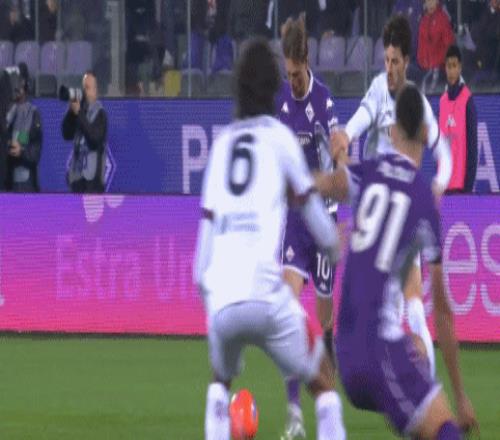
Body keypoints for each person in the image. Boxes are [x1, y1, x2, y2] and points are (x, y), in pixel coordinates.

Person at [195, 38, 346, 440]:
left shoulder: (221, 145)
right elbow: (316, 217)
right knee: (324, 382)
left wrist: (215, 309)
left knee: (219, 382)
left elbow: (199, 263)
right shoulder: (279, 139)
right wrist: (335, 245)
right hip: (267, 296)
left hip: (222, 301)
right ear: (273, 87)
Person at [316, 84, 478, 440]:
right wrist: (461, 396)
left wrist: (336, 154)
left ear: (391, 131)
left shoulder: (370, 171)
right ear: (426, 131)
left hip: (346, 350)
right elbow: (444, 313)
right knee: (446, 427)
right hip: (378, 350)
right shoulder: (422, 198)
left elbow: (328, 183)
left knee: (417, 352)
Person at [331, 15, 453, 379]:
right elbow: (356, 123)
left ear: (407, 62)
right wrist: (344, 136)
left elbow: (444, 154)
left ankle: (426, 383)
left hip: (402, 212)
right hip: (377, 212)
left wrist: (438, 185)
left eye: (395, 61)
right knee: (388, 308)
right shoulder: (377, 90)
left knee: (412, 303)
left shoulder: (416, 103)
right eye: (385, 60)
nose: (389, 68)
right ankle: (398, 381)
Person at [275, 16, 338, 440]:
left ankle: (328, 355)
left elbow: (337, 149)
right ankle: (294, 412)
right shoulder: (280, 101)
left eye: (297, 74)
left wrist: (335, 157)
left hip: (324, 215)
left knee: (324, 311)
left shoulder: (324, 101)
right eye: (288, 74)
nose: (293, 82)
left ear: (307, 63)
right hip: (295, 220)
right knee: (287, 309)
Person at [439, 45, 477, 193]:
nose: (451, 71)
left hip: (461, 186)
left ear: (460, 68)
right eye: (448, 66)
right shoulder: (442, 102)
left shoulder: (467, 100)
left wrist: (468, 186)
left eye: (454, 66)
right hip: (444, 185)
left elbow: (472, 147)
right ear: (445, 68)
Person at [62, 71, 108, 193]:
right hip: (77, 178)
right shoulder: (80, 111)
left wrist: (79, 114)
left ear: (95, 90)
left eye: (87, 88)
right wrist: (71, 113)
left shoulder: (100, 114)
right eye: (83, 87)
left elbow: (94, 140)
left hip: (93, 182)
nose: (84, 91)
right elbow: (66, 134)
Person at [5, 63, 41, 192]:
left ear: (25, 84)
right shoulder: (5, 112)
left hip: (25, 183)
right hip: (6, 181)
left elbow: (35, 152)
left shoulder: (33, 114)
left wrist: (22, 151)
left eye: (19, 81)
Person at [417, 0, 455, 92]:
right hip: (424, 69)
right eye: (428, 1)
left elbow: (449, 45)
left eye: (433, 1)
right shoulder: (423, 21)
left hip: (439, 69)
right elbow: (420, 48)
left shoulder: (443, 19)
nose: (430, 3)